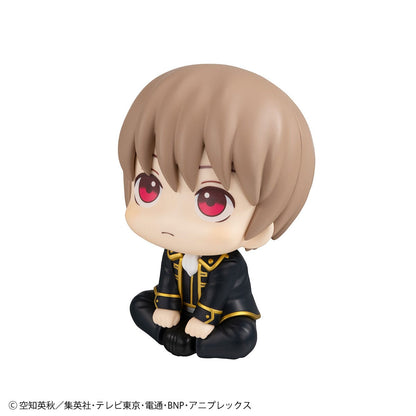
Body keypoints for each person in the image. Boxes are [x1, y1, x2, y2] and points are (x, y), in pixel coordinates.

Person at [118, 64, 315, 359]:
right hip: (181, 312)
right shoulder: (173, 252)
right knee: (139, 304)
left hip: (222, 315)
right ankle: (172, 336)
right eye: (149, 187)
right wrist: (167, 307)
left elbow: (217, 293)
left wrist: (204, 321)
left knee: (242, 338)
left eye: (212, 202)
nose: (172, 222)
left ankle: (190, 342)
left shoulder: (228, 266)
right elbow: (167, 280)